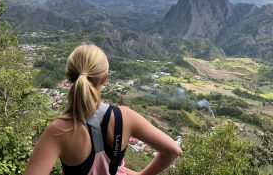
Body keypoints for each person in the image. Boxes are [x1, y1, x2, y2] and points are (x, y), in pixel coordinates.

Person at [23, 44, 182, 175]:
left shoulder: (58, 130)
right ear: (105, 78)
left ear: (69, 77)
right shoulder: (125, 117)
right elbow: (173, 151)